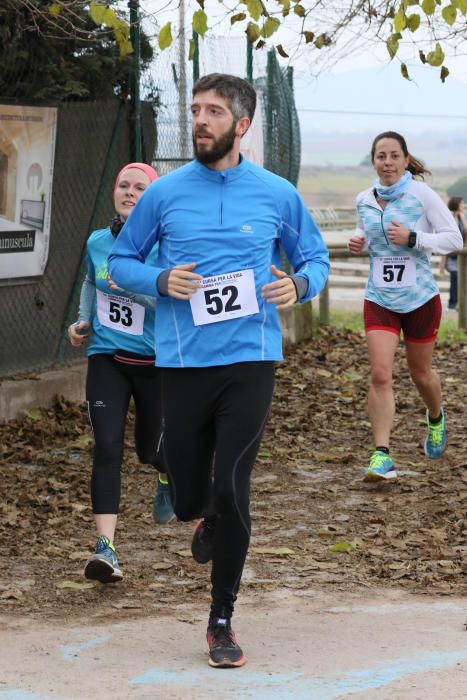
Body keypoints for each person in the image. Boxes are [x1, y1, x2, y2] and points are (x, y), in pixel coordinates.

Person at [109, 74, 329, 668]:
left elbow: (314, 257)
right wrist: (158, 279)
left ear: (242, 124)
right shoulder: (165, 193)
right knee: (187, 495)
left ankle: (221, 618)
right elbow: (121, 262)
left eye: (212, 111)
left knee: (232, 488)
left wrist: (299, 284)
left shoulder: (276, 193)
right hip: (182, 363)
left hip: (251, 361)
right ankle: (196, 513)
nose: (200, 120)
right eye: (195, 110)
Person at [68, 162, 174, 585]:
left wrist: (133, 286)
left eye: (140, 187)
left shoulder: (165, 247)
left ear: (152, 198)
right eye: (123, 186)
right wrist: (81, 322)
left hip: (154, 363)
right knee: (107, 447)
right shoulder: (97, 241)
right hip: (107, 357)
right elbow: (92, 283)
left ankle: (165, 472)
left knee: (148, 450)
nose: (129, 192)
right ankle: (105, 548)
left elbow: (173, 303)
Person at [348, 131, 463, 481]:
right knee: (380, 374)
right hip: (380, 298)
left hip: (420, 300)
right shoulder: (364, 199)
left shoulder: (421, 195)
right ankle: (381, 454)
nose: (387, 162)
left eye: (394, 156)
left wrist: (415, 238)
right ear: (373, 161)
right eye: (381, 156)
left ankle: (436, 416)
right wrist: (359, 241)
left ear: (405, 159)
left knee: (420, 374)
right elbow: (367, 234)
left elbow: (454, 239)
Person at [439, 196, 465, 310]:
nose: (463, 205)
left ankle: (456, 304)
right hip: (452, 256)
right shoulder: (450, 220)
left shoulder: (460, 218)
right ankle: (452, 304)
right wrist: (441, 266)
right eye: (462, 203)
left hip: (460, 256)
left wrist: (462, 216)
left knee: (459, 279)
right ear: (457, 205)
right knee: (455, 278)